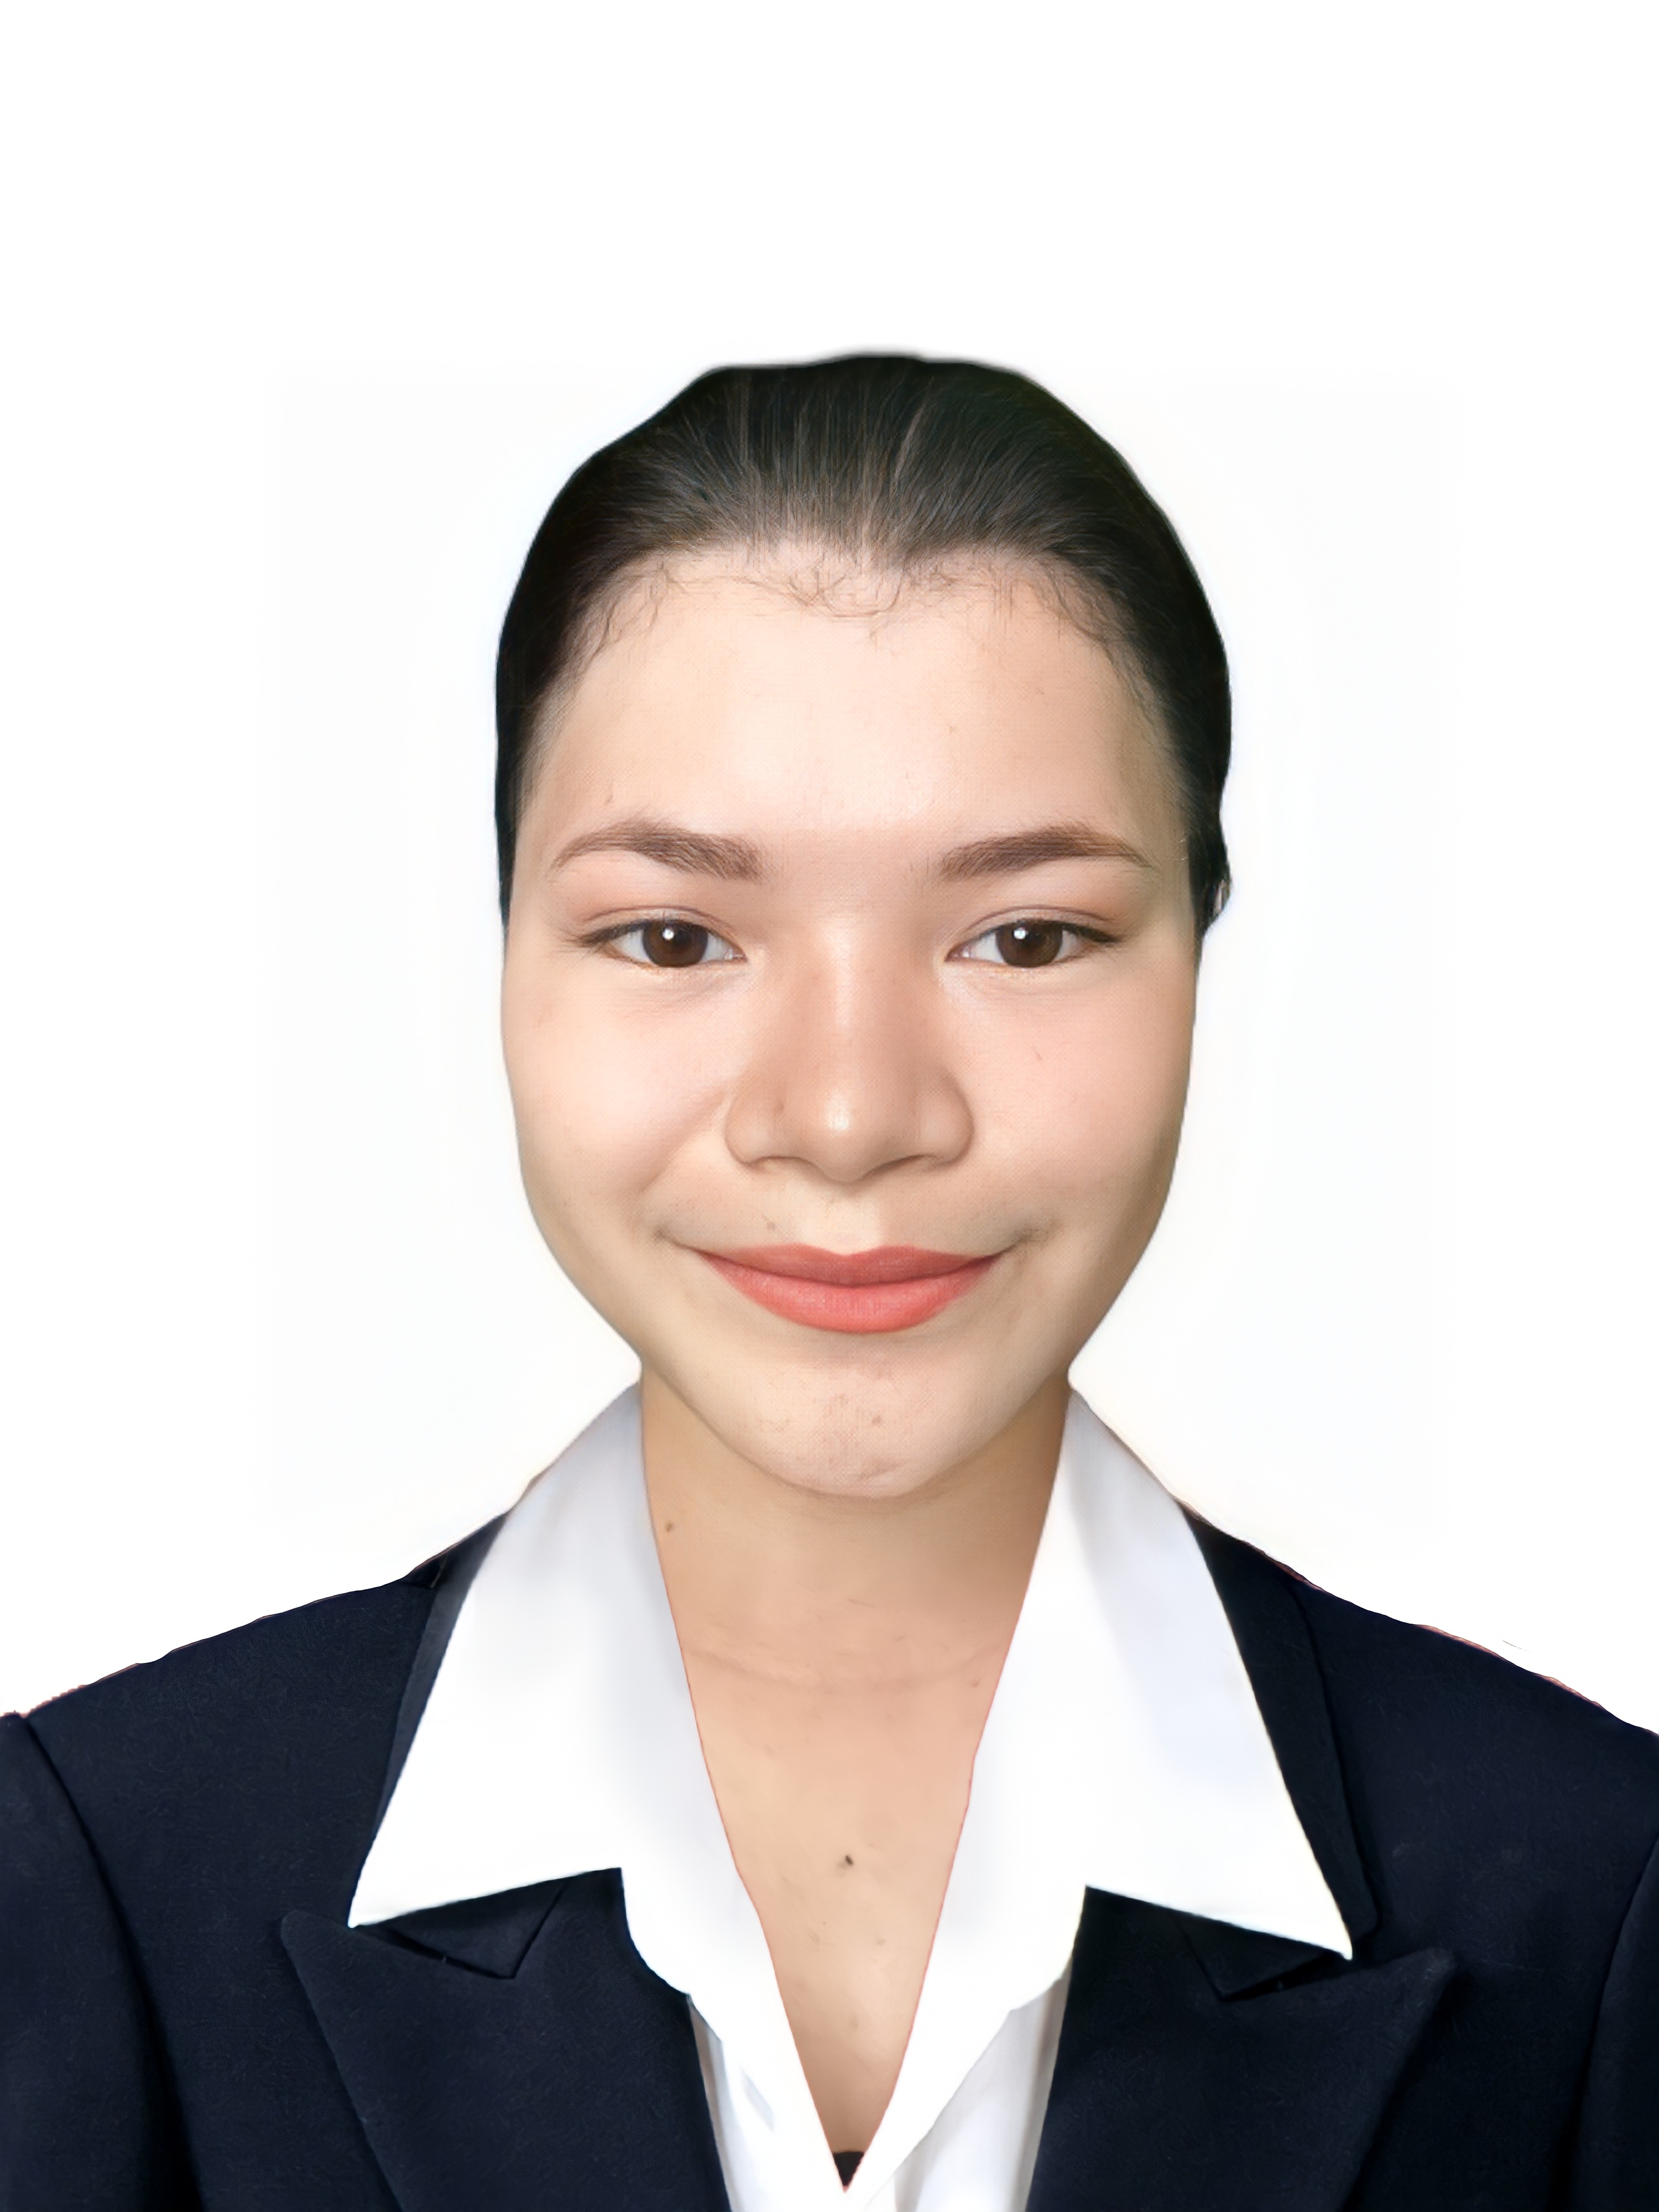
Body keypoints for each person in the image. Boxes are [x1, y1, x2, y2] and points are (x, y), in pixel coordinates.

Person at [2, 357, 1655, 2212]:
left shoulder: (1597, 1904)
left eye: (1027, 936)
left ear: (1200, 949)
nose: (851, 1116)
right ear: (504, 951)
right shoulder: (99, 1875)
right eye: (673, 936)